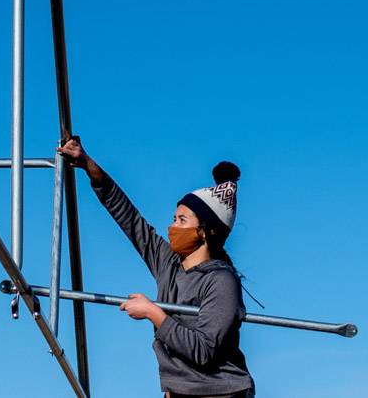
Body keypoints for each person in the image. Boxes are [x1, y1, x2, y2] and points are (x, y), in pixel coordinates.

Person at [58, 135, 253, 398]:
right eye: (173, 219)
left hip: (221, 393)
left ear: (205, 231)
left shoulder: (221, 281)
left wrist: (153, 312)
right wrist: (88, 164)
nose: (172, 227)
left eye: (181, 220)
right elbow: (128, 216)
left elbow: (203, 350)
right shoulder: (168, 262)